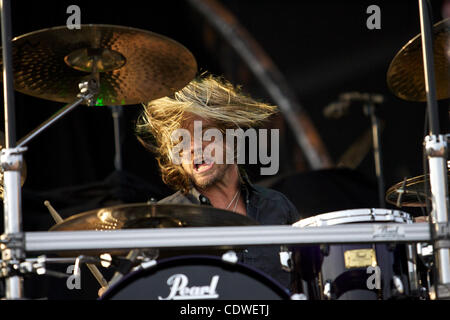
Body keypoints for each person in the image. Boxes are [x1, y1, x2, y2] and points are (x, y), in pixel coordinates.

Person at [135, 74, 301, 289]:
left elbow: (307, 283)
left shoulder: (277, 206)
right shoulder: (164, 219)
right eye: (181, 141)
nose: (192, 147)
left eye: (204, 134)